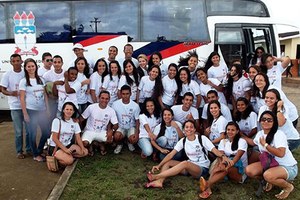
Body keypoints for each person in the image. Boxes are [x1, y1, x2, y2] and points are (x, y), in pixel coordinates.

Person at [145, 120, 232, 189]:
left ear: (194, 129)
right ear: (184, 129)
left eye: (191, 127)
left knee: (185, 163)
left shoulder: (202, 138)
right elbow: (170, 155)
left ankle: (156, 176)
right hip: (189, 167)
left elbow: (214, 150)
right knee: (169, 162)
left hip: (202, 168)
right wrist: (159, 165)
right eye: (186, 127)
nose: (189, 129)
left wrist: (223, 156)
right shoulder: (183, 141)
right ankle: (160, 182)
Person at [244, 111, 298, 199]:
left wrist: (265, 145)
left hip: (288, 167)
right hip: (270, 164)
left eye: (269, 120)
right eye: (263, 119)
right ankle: (270, 180)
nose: (266, 122)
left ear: (274, 122)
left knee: (268, 175)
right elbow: (252, 142)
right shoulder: (260, 134)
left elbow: (281, 153)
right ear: (260, 121)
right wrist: (239, 135)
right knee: (249, 170)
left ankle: (288, 187)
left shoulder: (279, 134)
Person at [199, 122, 248, 199]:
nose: (230, 132)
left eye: (233, 130)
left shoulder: (242, 141)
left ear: (237, 131)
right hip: (225, 165)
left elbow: (237, 158)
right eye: (228, 130)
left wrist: (222, 166)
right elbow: (220, 155)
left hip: (239, 171)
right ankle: (208, 189)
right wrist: (221, 164)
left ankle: (207, 183)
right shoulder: (223, 141)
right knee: (220, 165)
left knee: (225, 168)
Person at [0, 54, 31, 158]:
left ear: (22, 62)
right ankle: (19, 151)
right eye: (14, 61)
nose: (16, 63)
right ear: (11, 62)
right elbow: (2, 89)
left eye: (18, 61)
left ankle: (29, 149)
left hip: (26, 106)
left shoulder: (25, 73)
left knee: (28, 130)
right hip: (15, 107)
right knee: (18, 131)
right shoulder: (7, 75)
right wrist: (11, 93)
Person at [19, 58, 50, 162]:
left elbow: (45, 95)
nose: (31, 68)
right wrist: (25, 114)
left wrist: (47, 109)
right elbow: (22, 98)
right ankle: (36, 155)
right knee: (32, 134)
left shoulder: (41, 80)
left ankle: (39, 150)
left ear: (36, 67)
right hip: (31, 111)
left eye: (33, 66)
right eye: (29, 66)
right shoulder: (23, 82)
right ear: (26, 68)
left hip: (42, 111)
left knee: (46, 132)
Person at [80, 91, 118, 156]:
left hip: (102, 131)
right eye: (102, 98)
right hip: (89, 131)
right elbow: (81, 118)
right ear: (98, 98)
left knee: (110, 140)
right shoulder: (91, 107)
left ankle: (98, 143)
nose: (104, 100)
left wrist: (112, 131)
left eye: (106, 99)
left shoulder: (111, 110)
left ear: (109, 99)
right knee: (85, 143)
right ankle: (92, 145)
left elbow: (116, 124)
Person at [111, 85, 140, 154]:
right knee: (117, 136)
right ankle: (120, 144)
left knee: (133, 139)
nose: (125, 96)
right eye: (123, 94)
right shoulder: (115, 104)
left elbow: (137, 120)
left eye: (127, 94)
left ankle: (129, 142)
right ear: (120, 94)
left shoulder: (135, 106)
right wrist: (112, 130)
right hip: (120, 127)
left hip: (131, 127)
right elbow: (112, 117)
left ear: (131, 94)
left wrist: (137, 133)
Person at [42, 55, 65, 121]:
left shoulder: (66, 73)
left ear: (62, 63)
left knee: (62, 119)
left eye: (59, 62)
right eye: (55, 62)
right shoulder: (47, 75)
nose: (57, 64)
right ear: (52, 63)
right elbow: (43, 88)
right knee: (51, 119)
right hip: (51, 101)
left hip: (63, 101)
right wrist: (49, 95)